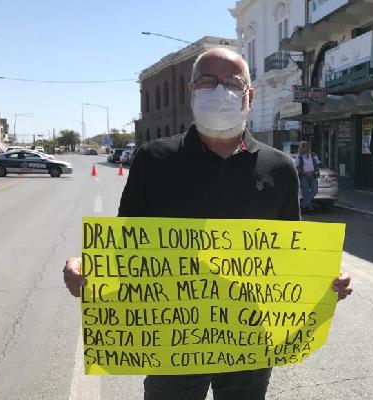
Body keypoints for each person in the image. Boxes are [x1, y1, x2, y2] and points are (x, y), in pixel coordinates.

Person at [63, 48, 352, 400]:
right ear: (191, 91)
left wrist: (326, 281)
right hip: (172, 339)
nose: (220, 91)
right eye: (208, 82)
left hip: (251, 339)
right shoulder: (153, 160)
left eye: (232, 82)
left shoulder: (280, 168)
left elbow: (291, 257)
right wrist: (88, 269)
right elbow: (127, 246)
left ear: (250, 94)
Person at [294, 141, 321, 212]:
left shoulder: (313, 154)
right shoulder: (299, 156)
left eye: (305, 146)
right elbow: (297, 167)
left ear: (308, 147)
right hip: (304, 176)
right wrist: (304, 173)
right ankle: (310, 208)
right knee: (305, 193)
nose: (303, 148)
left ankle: (302, 205)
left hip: (313, 175)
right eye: (302, 147)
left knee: (315, 191)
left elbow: (317, 164)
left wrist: (313, 171)